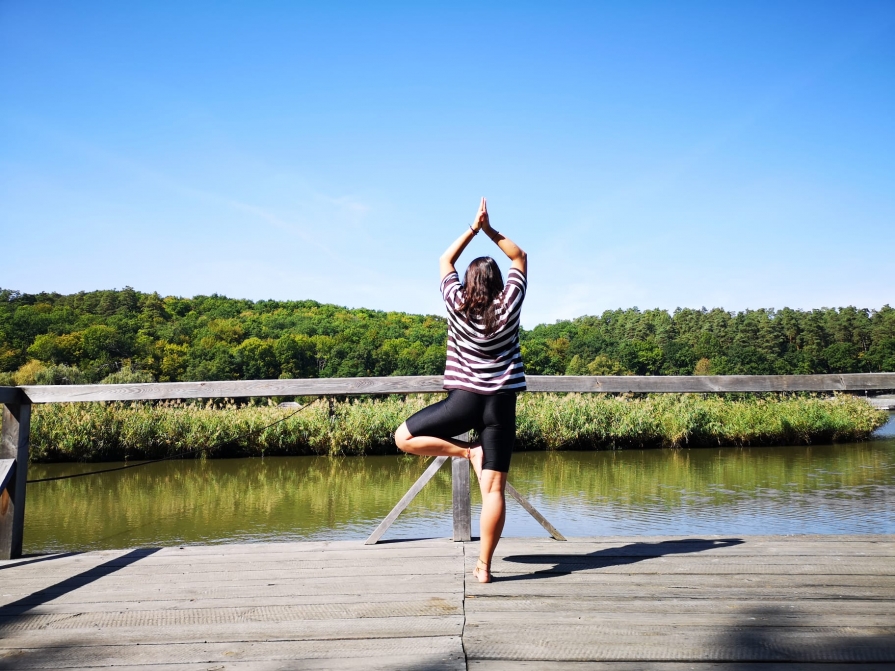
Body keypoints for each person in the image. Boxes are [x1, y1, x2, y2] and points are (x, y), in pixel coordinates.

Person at [395, 197, 527, 583]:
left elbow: (443, 261)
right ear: (500, 284)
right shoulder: (510, 305)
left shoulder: (456, 304)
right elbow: (520, 257)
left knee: (403, 437)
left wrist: (473, 229)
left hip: (464, 401)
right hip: (501, 405)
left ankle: (465, 452)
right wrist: (492, 231)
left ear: (469, 284)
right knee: (494, 490)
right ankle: (484, 568)